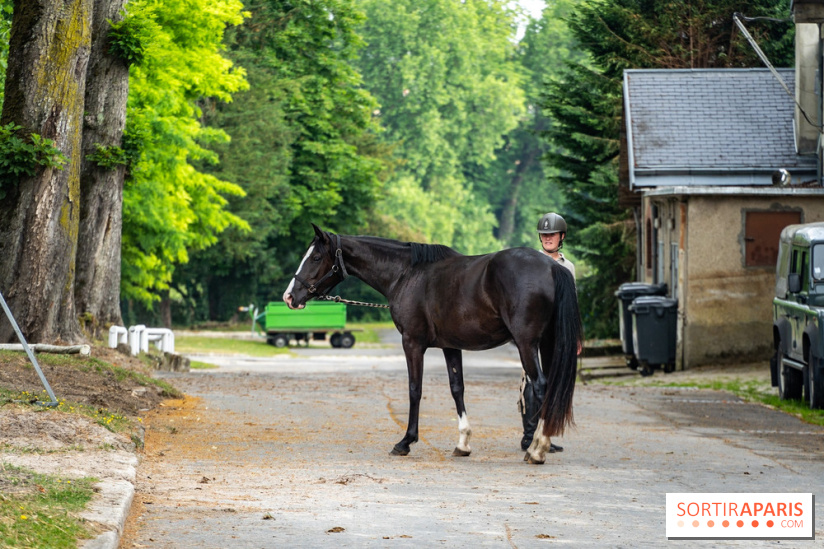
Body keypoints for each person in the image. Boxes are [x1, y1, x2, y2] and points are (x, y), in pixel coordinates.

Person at [519, 212, 576, 452]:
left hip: (558, 331)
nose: (547, 239)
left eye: (551, 234)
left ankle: (546, 433)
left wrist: (576, 337)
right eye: (544, 235)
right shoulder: (530, 265)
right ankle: (529, 434)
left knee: (553, 380)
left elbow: (574, 304)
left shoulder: (568, 266)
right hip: (535, 330)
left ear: (561, 236)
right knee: (532, 380)